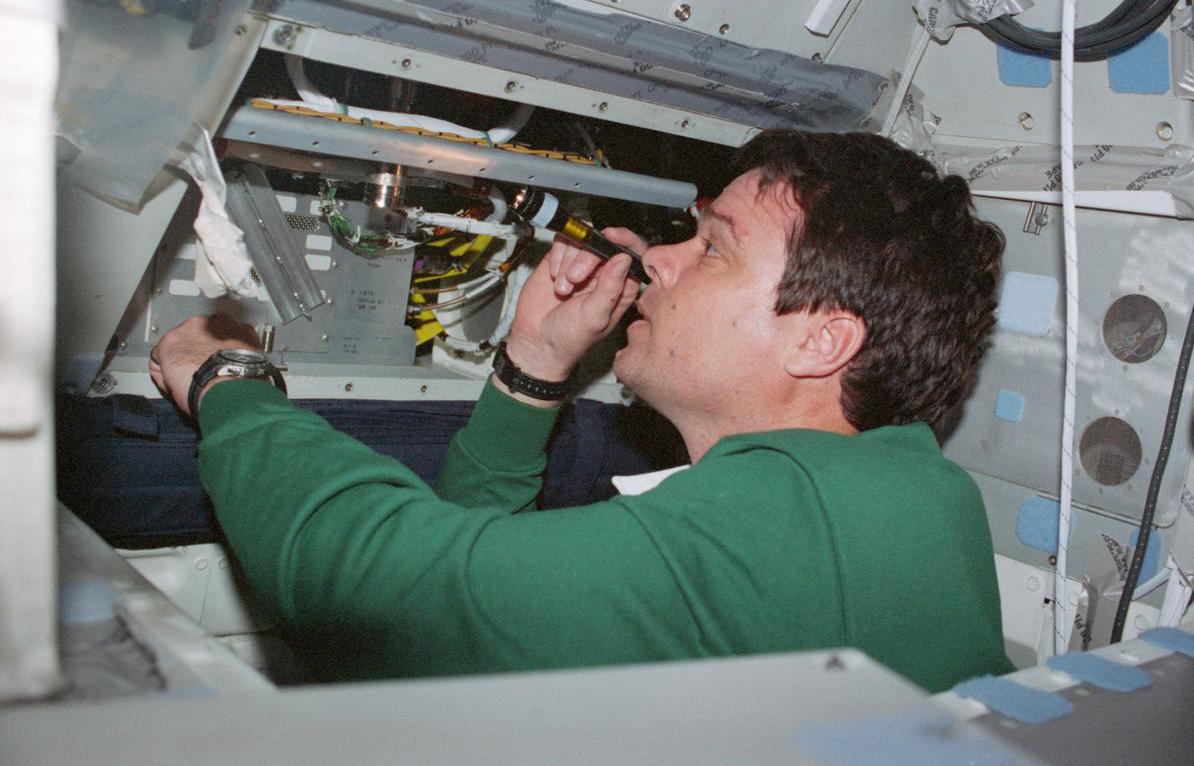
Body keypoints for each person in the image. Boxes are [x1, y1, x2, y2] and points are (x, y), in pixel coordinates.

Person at [150, 130, 1013, 692]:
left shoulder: (784, 520)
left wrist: (228, 380)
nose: (663, 260)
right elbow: (473, 624)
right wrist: (535, 366)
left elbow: (373, 590)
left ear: (821, 342)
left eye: (713, 246)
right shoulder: (911, 497)